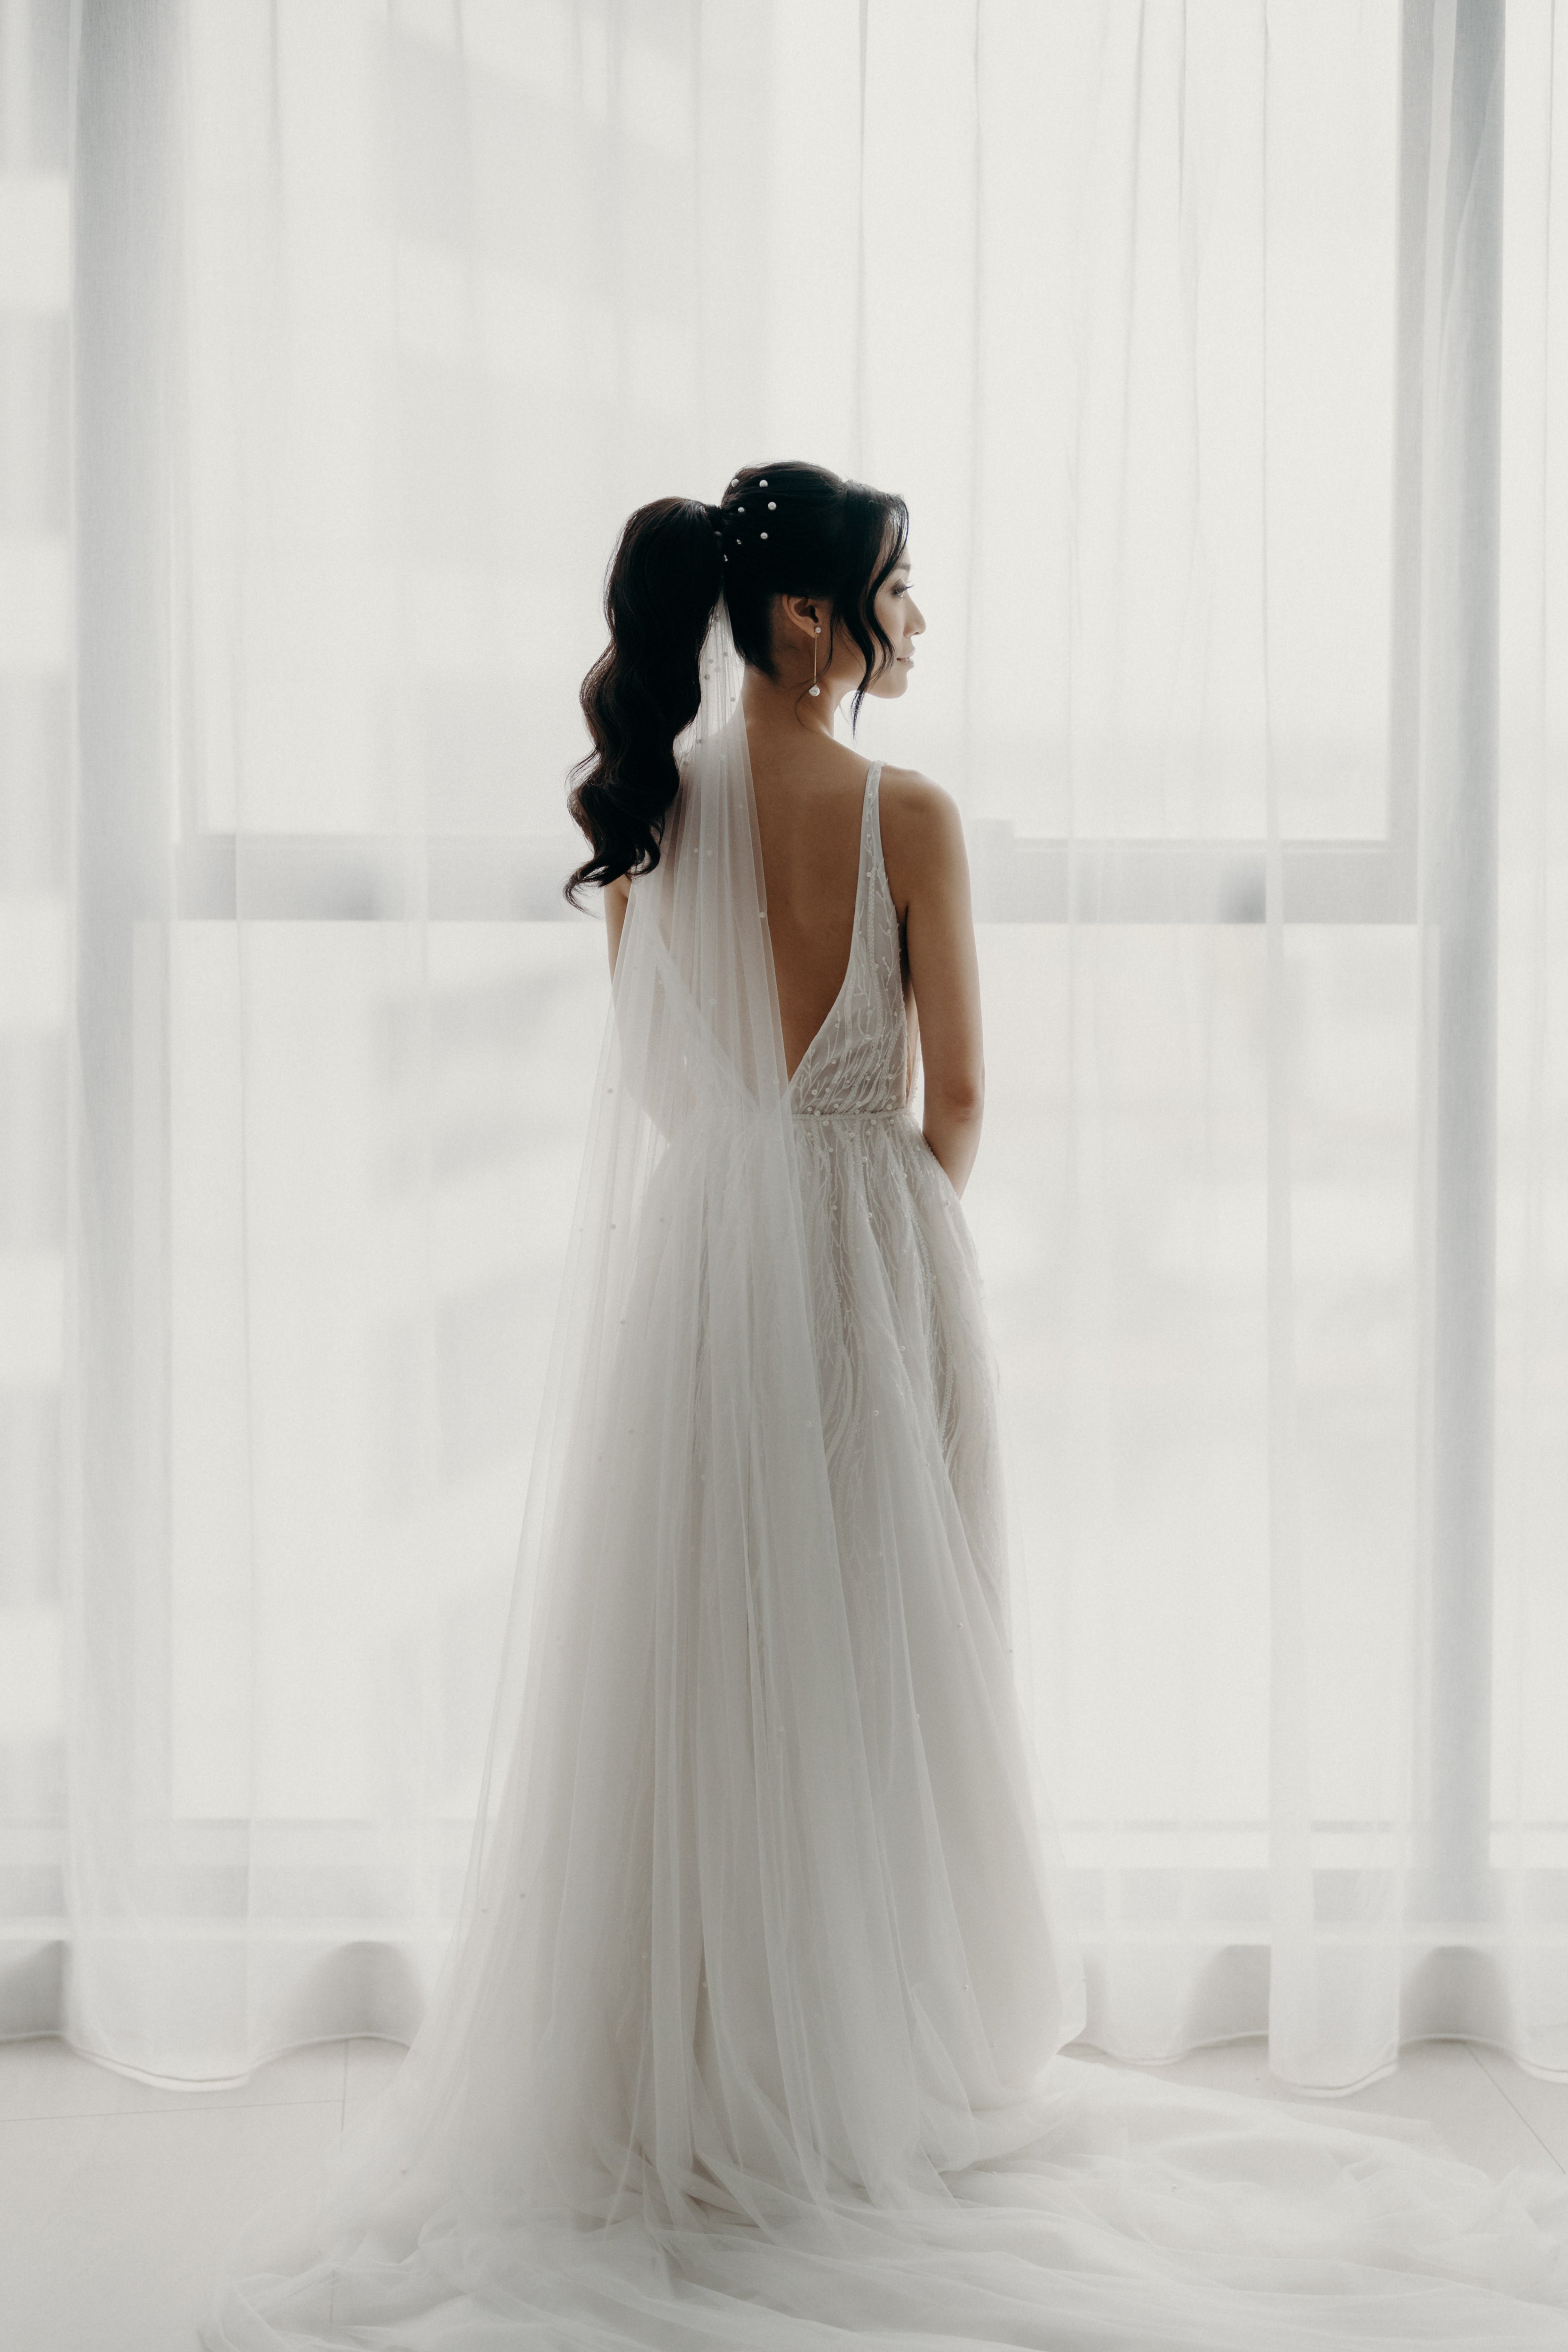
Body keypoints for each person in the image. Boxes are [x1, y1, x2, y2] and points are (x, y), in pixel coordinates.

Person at [206, 462, 1568, 2350]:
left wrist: (750, 1206)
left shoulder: (655, 812)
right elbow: (968, 1097)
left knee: (699, 1664)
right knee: (882, 1656)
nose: (914, 620)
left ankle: (708, 2058)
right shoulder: (909, 815)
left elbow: (668, 1080)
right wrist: (871, 1229)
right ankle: (851, 2054)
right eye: (896, 590)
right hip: (868, 1247)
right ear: (805, 623)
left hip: (700, 1270)